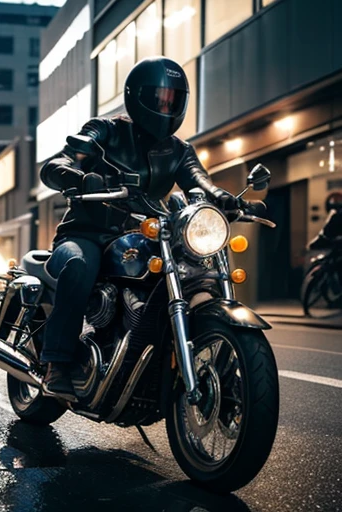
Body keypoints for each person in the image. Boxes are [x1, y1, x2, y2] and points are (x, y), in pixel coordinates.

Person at [39, 56, 241, 402]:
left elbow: (200, 181)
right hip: (86, 234)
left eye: (174, 100)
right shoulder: (105, 131)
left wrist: (223, 197)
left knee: (189, 271)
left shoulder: (179, 151)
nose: (167, 106)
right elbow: (56, 164)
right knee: (78, 266)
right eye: (161, 99)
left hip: (143, 237)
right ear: (138, 97)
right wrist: (76, 177)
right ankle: (58, 361)